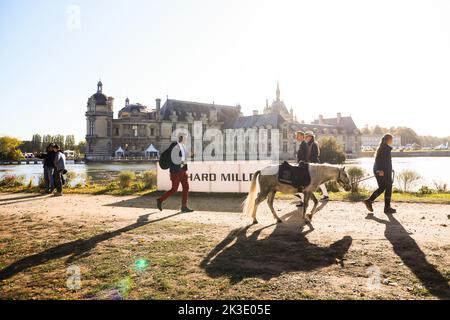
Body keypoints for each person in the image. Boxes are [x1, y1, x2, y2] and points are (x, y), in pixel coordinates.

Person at [157, 135, 194, 213]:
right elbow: (174, 157)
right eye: (185, 139)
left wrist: (192, 154)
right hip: (175, 171)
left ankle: (184, 207)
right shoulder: (174, 146)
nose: (186, 141)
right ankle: (160, 200)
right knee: (174, 189)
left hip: (183, 171)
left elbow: (186, 157)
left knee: (186, 188)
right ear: (181, 139)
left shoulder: (184, 147)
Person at [364, 134, 397, 214]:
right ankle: (387, 207)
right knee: (388, 187)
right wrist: (379, 170)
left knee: (382, 187)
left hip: (383, 171)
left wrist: (387, 169)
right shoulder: (384, 148)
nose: (392, 141)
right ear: (388, 140)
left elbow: (385, 161)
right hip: (382, 172)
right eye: (391, 139)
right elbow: (379, 160)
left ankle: (369, 201)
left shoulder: (383, 147)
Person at [305, 131, 329, 201]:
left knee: (319, 181)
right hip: (311, 164)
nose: (306, 138)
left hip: (314, 164)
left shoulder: (314, 144)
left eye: (308, 136)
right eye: (306, 136)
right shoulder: (308, 144)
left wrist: (309, 161)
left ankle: (326, 195)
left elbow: (314, 155)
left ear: (311, 137)